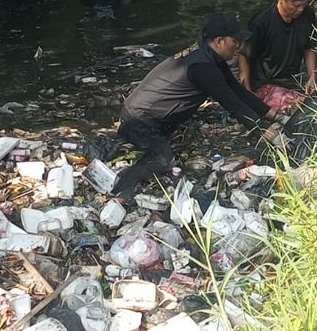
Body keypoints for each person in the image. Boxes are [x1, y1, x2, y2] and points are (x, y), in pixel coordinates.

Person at [113, 14, 285, 197]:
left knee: (170, 150)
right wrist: (264, 130)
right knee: (163, 158)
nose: (238, 46)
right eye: (235, 41)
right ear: (219, 41)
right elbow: (232, 104)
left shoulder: (208, 56)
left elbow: (237, 90)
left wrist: (274, 115)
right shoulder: (203, 67)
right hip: (140, 120)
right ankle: (119, 192)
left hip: (144, 114)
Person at [238, 0, 317, 95]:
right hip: (265, 82)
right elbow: (244, 55)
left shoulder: (307, 15)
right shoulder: (261, 22)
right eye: (296, 5)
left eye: (304, 5)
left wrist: (312, 75)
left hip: (292, 78)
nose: (301, 9)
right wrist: (246, 89)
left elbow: (309, 45)